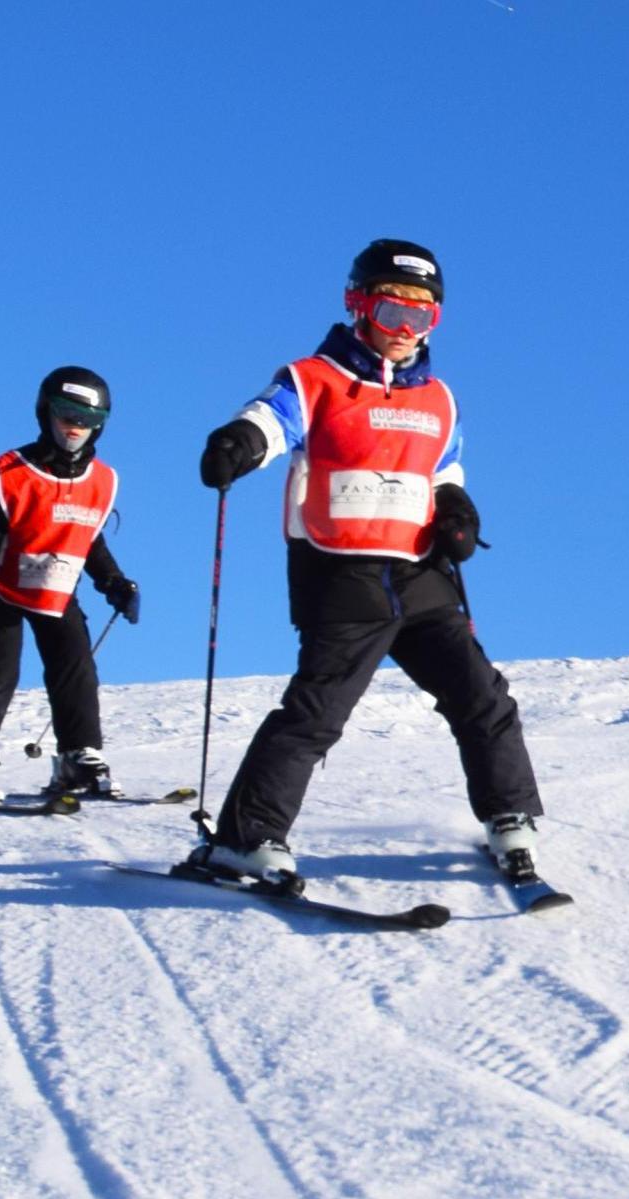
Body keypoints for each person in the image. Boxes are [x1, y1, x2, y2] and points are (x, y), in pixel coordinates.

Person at [187, 238, 543, 891]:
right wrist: (239, 444)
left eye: (422, 316)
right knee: (316, 715)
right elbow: (272, 420)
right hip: (340, 574)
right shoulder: (314, 377)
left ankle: (510, 815)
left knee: (481, 696)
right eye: (391, 312)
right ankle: (245, 839)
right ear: (358, 306)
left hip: (420, 572)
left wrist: (458, 508)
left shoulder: (439, 396)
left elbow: (443, 469)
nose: (405, 331)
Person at [0, 366, 140, 802]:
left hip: (57, 590)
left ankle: (77, 756)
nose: (76, 427)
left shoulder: (100, 481)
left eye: (89, 420)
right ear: (45, 411)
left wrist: (113, 582)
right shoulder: (10, 474)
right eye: (67, 414)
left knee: (76, 670)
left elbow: (88, 537)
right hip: (2, 588)